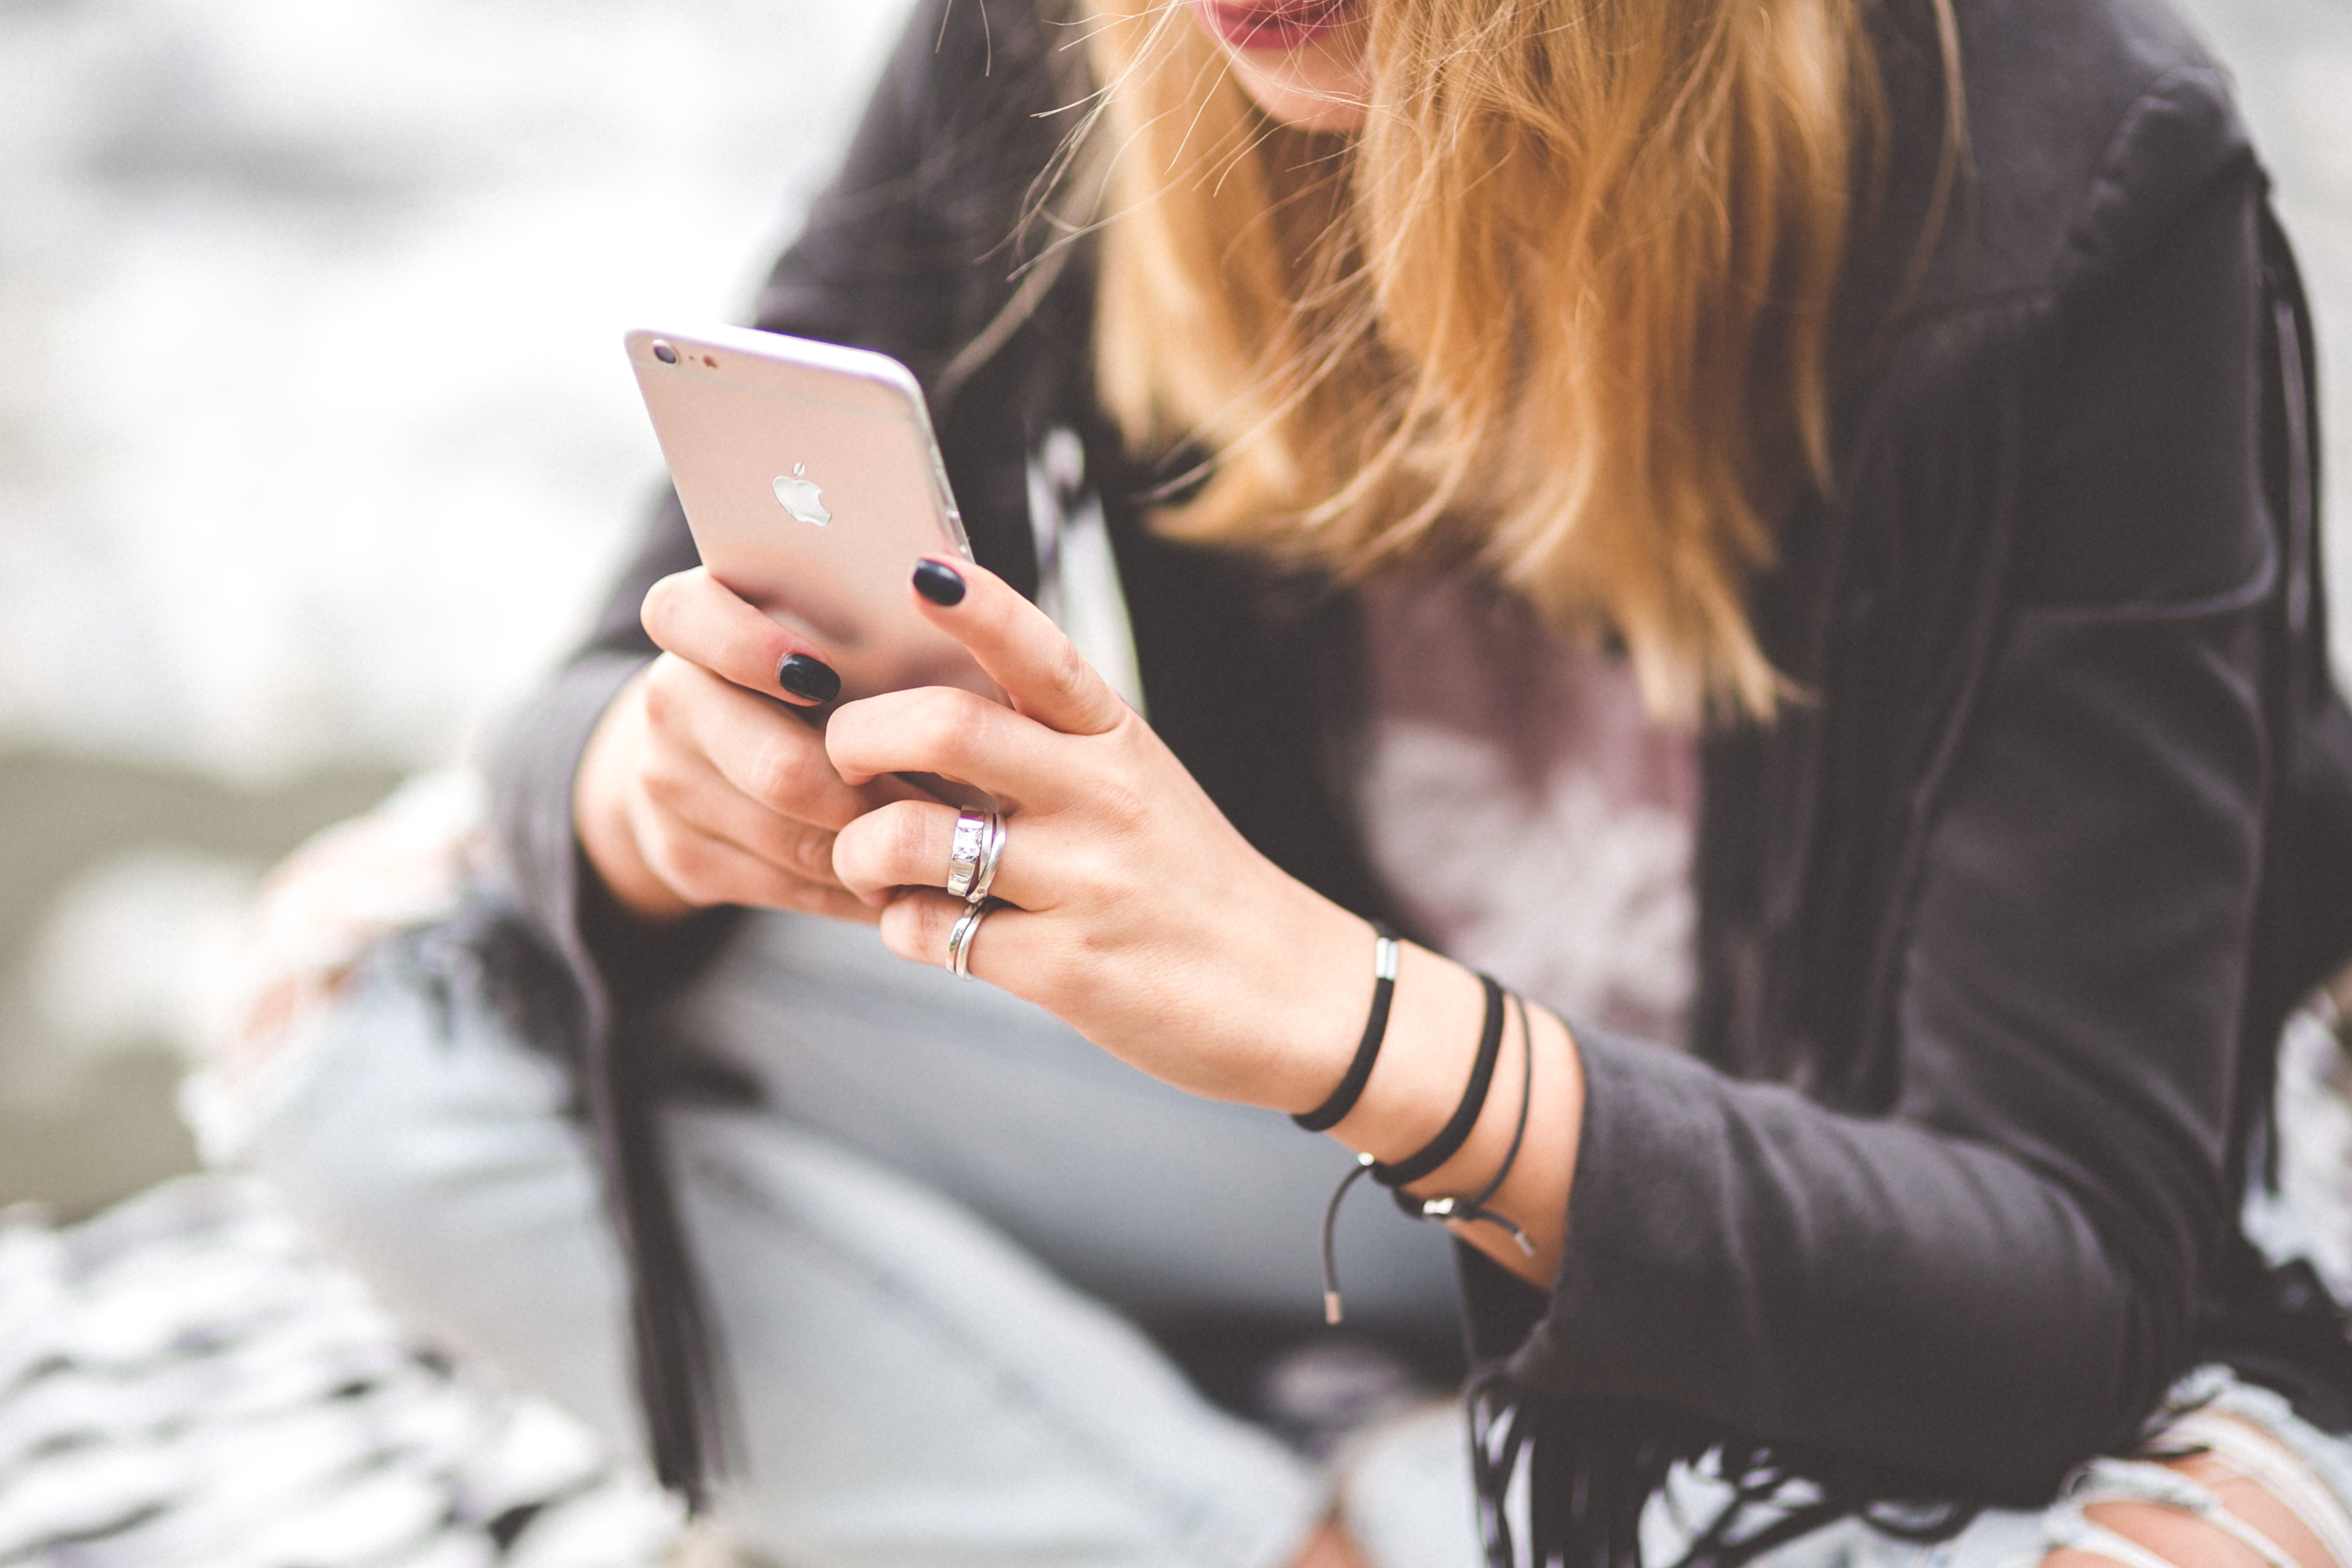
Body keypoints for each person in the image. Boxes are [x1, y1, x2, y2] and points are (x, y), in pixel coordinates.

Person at [204, 0, 2352, 1566]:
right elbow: (583, 695)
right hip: (1355, 1172)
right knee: (364, 1016)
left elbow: (2050, 1280)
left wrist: (1338, 1014)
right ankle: (1316, 1531)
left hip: (1789, 1182)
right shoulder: (1078, 45)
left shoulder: (2072, 170)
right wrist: (655, 794)